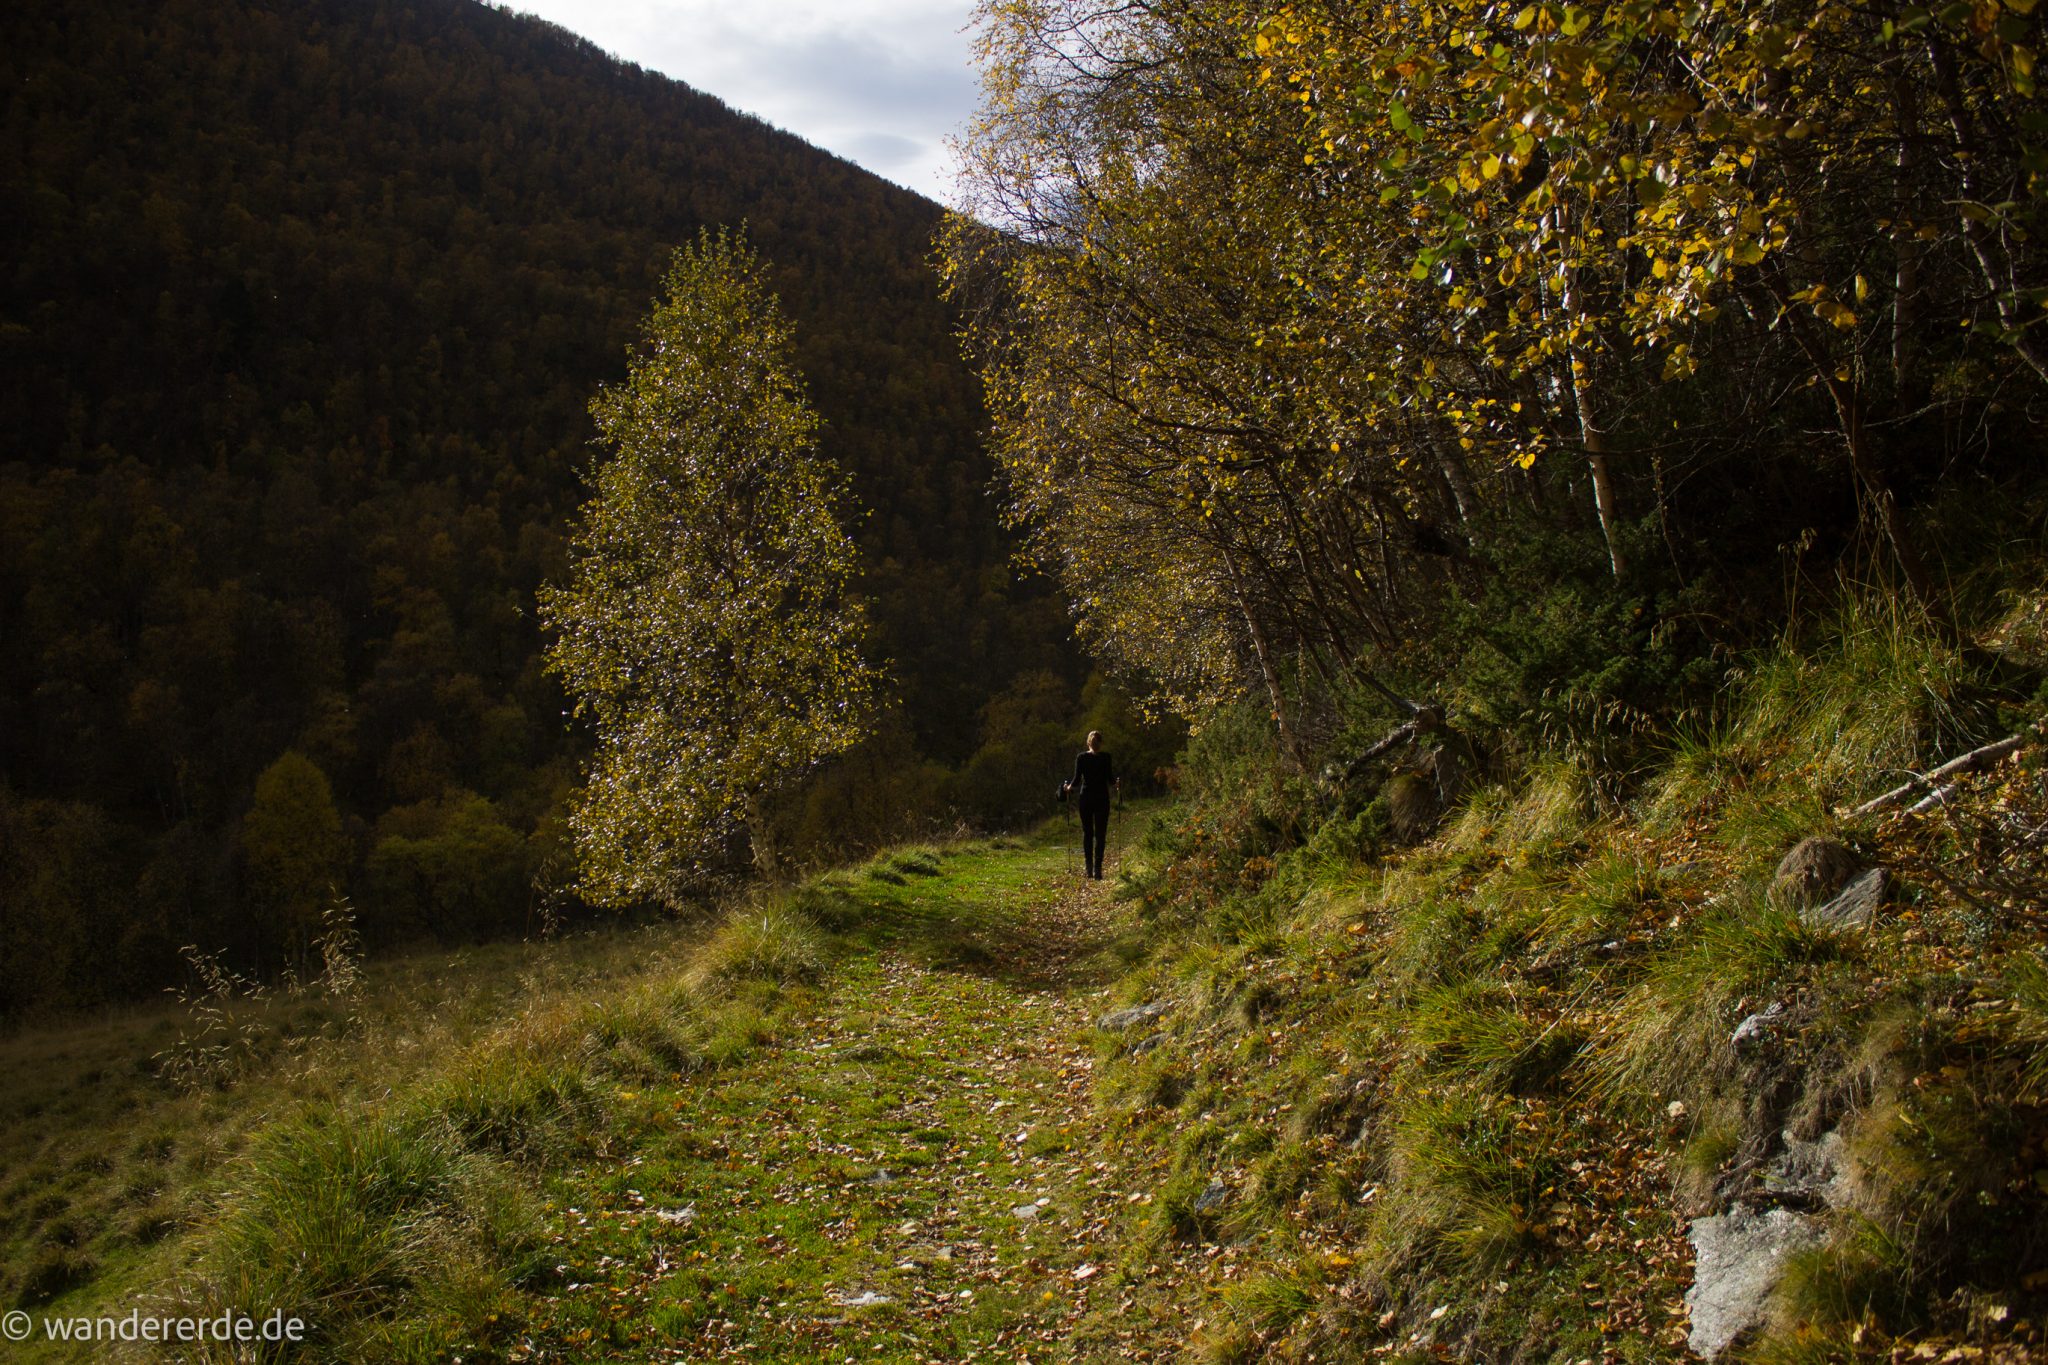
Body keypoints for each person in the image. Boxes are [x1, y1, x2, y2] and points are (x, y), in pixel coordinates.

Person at [1064, 730, 1118, 880]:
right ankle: (1097, 870)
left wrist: (1068, 789)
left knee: (1088, 833)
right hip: (1102, 798)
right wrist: (1117, 784)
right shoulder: (1106, 757)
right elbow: (1111, 779)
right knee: (1100, 834)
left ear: (1088, 742)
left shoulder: (1081, 758)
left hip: (1086, 798)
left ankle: (1089, 868)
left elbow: (1076, 780)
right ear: (1101, 743)